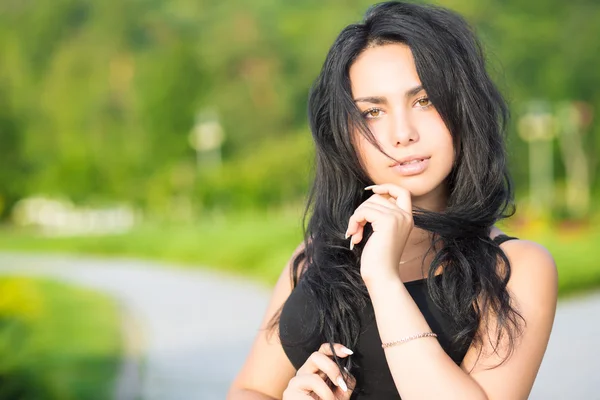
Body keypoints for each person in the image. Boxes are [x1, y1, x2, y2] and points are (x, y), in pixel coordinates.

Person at [228, 1, 557, 399]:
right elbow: (250, 389)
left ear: (464, 109)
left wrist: (382, 280)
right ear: (345, 134)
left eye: (425, 101)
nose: (402, 133)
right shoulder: (316, 256)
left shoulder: (515, 268)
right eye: (372, 112)